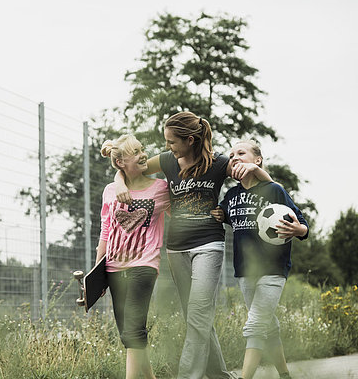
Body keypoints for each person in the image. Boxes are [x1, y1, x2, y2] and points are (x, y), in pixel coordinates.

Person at [113, 111, 272, 379]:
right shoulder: (166, 161)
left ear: (189, 140)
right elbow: (132, 170)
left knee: (198, 315)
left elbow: (266, 189)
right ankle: (221, 376)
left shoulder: (220, 163)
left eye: (172, 142)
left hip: (208, 245)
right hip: (176, 249)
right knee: (195, 317)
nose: (167, 147)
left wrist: (256, 169)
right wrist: (118, 181)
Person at [211, 140, 309, 379]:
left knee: (255, 324)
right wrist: (219, 214)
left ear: (257, 160)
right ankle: (285, 375)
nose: (234, 156)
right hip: (245, 271)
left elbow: (303, 224)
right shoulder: (231, 195)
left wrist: (298, 231)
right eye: (231, 154)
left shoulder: (273, 190)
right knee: (268, 325)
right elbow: (226, 214)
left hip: (273, 269)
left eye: (241, 153)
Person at [97, 134, 170, 379]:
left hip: (145, 264)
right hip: (115, 266)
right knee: (128, 335)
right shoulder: (110, 191)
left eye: (142, 149)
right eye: (135, 152)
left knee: (133, 328)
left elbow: (178, 216)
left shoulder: (161, 188)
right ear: (120, 162)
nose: (142, 154)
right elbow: (106, 230)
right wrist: (97, 271)